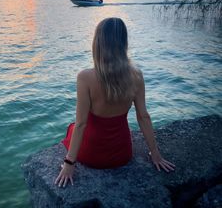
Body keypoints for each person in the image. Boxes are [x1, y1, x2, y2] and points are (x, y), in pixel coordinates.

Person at [54, 17, 175, 188]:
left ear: (98, 43)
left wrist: (69, 163)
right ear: (123, 43)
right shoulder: (136, 75)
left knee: (72, 127)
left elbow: (81, 124)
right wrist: (155, 154)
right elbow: (143, 117)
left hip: (91, 155)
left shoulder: (85, 77)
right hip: (122, 154)